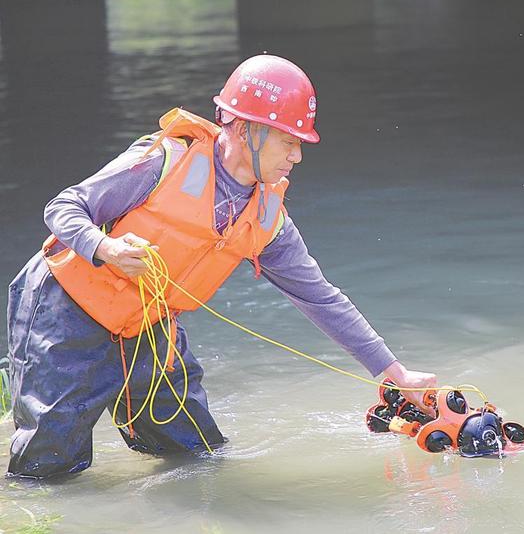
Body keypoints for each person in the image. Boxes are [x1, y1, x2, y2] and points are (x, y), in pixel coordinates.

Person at [5, 55, 437, 479]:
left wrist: (395, 374)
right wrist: (105, 247)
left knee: (194, 454)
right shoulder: (163, 161)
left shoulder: (270, 218)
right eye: (289, 141)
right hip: (63, 309)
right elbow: (64, 206)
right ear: (249, 130)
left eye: (299, 143)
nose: (297, 157)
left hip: (147, 323)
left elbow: (320, 297)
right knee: (48, 468)